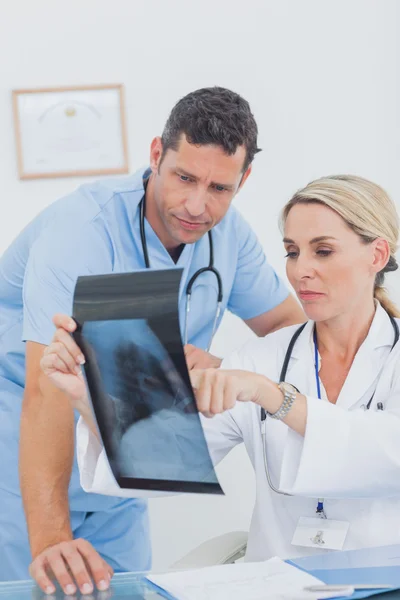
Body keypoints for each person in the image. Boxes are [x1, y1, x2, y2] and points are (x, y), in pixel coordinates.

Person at [0, 86, 304, 591]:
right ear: (156, 155)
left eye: (219, 188)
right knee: (38, 587)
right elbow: (45, 390)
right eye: (184, 177)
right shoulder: (82, 231)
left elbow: (291, 336)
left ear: (243, 180)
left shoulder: (229, 237)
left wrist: (227, 368)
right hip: (19, 450)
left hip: (123, 450)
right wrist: (51, 537)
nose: (196, 205)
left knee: (125, 589)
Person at [43, 174, 400, 593]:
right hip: (278, 587)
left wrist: (273, 396)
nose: (301, 270)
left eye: (322, 251)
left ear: (377, 254)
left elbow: (388, 453)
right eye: (291, 252)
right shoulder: (260, 359)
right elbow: (161, 463)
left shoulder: (258, 377)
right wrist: (88, 396)